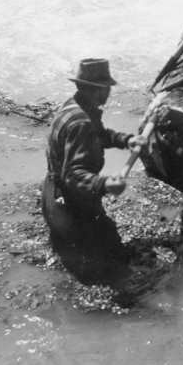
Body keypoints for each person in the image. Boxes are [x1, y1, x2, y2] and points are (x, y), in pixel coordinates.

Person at [43, 59, 147, 286]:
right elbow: (74, 174)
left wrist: (126, 139)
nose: (109, 92)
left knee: (72, 254)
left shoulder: (75, 106)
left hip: (52, 194)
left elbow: (99, 134)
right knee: (113, 260)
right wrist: (106, 184)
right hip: (69, 202)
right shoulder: (82, 123)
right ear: (99, 89)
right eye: (107, 87)